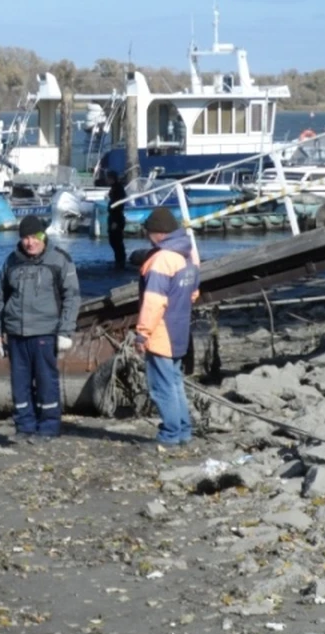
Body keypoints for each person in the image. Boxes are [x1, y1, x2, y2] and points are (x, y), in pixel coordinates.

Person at [0, 215, 80, 441]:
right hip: (16, 333)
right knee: (19, 383)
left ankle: (49, 426)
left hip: (45, 332)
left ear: (44, 236)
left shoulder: (59, 261)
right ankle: (24, 426)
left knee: (45, 380)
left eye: (35, 237)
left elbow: (72, 297)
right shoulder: (11, 262)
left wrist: (65, 331)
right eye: (25, 238)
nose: (30, 242)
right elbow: (1, 298)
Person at [135, 207, 200, 446]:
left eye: (149, 233)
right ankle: (183, 430)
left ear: (159, 234)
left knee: (162, 387)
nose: (148, 237)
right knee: (175, 383)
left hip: (161, 332)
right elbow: (194, 293)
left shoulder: (162, 259)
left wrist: (142, 334)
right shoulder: (188, 255)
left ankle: (170, 434)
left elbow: (154, 301)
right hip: (180, 329)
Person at [107, 171, 127, 270]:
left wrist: (115, 221)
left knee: (116, 240)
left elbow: (118, 205)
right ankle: (119, 260)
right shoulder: (115, 188)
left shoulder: (118, 189)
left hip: (116, 217)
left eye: (108, 178)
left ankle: (120, 261)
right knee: (114, 240)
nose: (107, 180)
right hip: (114, 216)